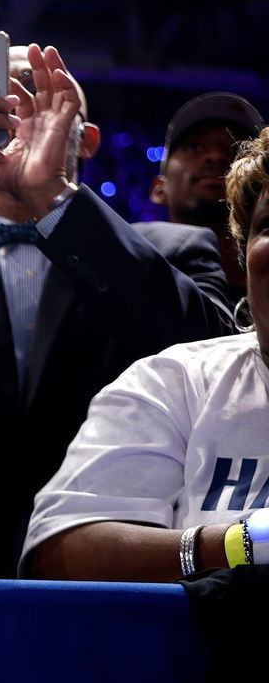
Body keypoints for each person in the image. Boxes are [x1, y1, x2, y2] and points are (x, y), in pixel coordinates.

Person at [0, 44, 235, 577]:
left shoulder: (172, 247)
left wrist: (56, 200)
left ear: (85, 139)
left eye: (38, 102)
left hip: (118, 563)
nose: (16, 118)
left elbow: (215, 357)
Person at [23, 126, 269, 581]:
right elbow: (61, 552)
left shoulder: (183, 272)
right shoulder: (172, 379)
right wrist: (242, 542)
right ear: (242, 250)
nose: (213, 159)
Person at [151, 92, 264, 299]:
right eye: (194, 146)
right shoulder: (131, 281)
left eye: (236, 148)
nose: (216, 156)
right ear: (159, 188)